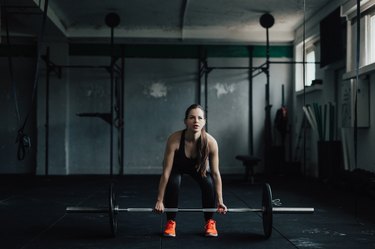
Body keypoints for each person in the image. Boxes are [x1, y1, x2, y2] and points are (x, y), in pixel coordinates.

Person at [154, 104, 227, 237]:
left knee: (208, 183)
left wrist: (220, 201)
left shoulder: (211, 143)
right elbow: (166, 172)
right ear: (185, 121)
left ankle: (210, 222)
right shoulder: (174, 139)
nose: (196, 121)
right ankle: (170, 222)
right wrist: (160, 200)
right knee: (174, 182)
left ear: (204, 121)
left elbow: (216, 174)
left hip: (198, 168)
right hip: (176, 167)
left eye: (200, 118)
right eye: (192, 117)